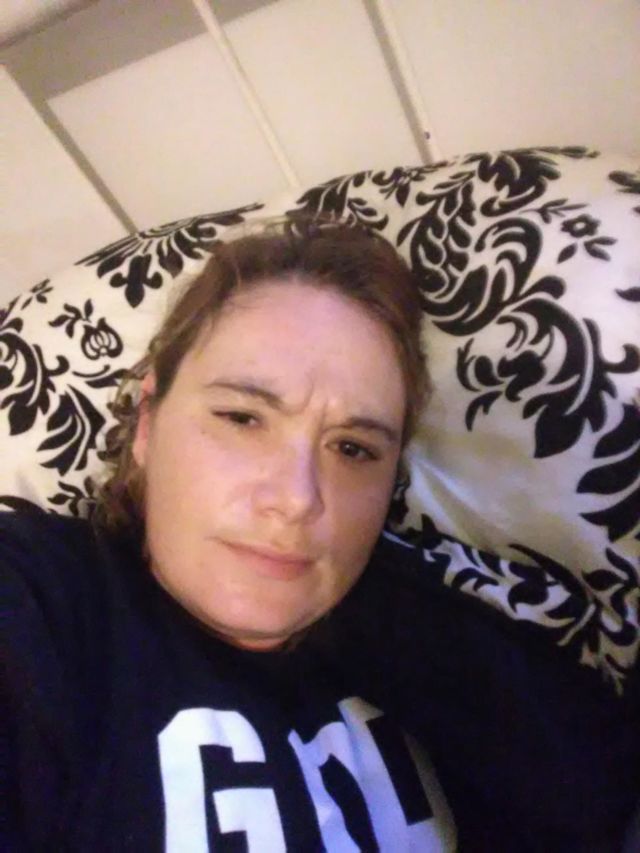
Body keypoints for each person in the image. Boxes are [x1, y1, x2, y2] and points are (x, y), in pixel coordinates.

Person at [1, 218, 639, 852]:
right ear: (147, 423)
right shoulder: (43, 602)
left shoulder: (455, 658)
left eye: (354, 448)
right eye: (242, 417)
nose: (298, 499)